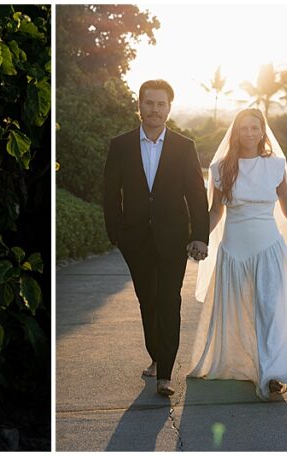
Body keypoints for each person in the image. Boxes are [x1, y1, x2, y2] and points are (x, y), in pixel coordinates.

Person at [189, 108, 287, 400]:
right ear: (235, 132)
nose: (249, 133)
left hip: (268, 248)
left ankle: (273, 372)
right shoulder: (221, 168)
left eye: (254, 127)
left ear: (263, 131)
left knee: (269, 310)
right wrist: (200, 239)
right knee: (242, 311)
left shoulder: (275, 165)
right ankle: (248, 365)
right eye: (243, 128)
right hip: (233, 250)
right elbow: (215, 211)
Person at [103, 79, 210, 397]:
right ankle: (156, 354)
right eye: (149, 103)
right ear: (139, 106)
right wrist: (116, 232)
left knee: (169, 300)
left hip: (173, 237)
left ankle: (165, 373)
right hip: (134, 238)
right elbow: (111, 193)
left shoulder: (183, 146)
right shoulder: (120, 145)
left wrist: (200, 236)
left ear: (169, 108)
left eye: (161, 104)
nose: (154, 109)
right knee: (146, 300)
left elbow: (196, 193)